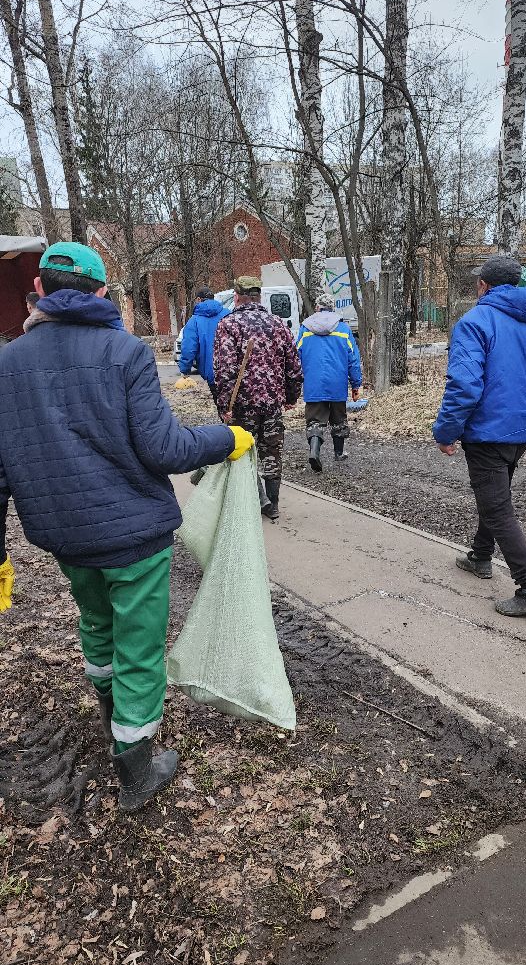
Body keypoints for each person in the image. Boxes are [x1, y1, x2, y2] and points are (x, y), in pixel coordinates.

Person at [0, 241, 254, 811]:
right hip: (133, 535)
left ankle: (112, 713)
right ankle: (136, 765)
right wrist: (225, 439)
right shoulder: (126, 353)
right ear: (103, 293)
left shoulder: (6, 365)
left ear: (38, 290)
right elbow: (164, 448)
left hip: (65, 537)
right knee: (139, 645)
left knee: (96, 624)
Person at [432, 255, 526, 618]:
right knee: (495, 495)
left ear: (483, 285)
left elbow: (464, 385)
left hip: (487, 431)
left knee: (496, 505)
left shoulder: (474, 322)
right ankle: (480, 555)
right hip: (522, 431)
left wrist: (446, 431)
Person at [213, 275, 303, 521]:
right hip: (273, 403)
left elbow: (225, 370)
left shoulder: (229, 324)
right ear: (259, 296)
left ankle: (257, 497)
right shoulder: (277, 324)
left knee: (244, 450)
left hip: (242, 404)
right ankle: (272, 503)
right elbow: (294, 366)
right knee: (272, 451)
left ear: (237, 296)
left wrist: (224, 406)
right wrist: (291, 396)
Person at [296, 292, 362, 471]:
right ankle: (339, 453)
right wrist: (356, 384)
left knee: (314, 420)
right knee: (339, 419)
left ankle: (314, 452)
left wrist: (295, 382)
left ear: (317, 307)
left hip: (313, 383)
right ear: (333, 308)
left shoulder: (305, 328)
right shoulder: (343, 329)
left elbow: (296, 356)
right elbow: (353, 360)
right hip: (337, 383)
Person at [177, 286, 230, 406]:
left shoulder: (194, 321)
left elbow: (189, 347)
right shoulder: (228, 314)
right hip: (233, 370)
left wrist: (185, 369)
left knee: (222, 408)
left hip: (212, 372)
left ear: (199, 299)